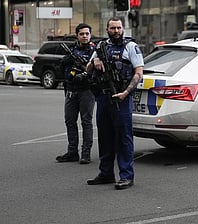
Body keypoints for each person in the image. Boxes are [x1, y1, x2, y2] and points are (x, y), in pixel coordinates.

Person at [86, 17, 144, 190]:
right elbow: (87, 70)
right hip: (103, 98)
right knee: (104, 137)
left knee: (124, 138)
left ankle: (126, 176)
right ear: (107, 29)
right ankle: (106, 174)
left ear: (122, 29)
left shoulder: (131, 47)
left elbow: (139, 73)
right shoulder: (100, 47)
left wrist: (126, 92)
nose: (116, 31)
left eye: (119, 28)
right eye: (113, 28)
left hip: (122, 97)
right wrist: (93, 61)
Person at [56, 23, 96, 164]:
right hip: (71, 90)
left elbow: (98, 71)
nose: (84, 36)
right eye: (82, 34)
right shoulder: (71, 51)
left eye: (87, 34)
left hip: (86, 90)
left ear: (90, 35)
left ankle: (86, 153)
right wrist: (65, 62)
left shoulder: (94, 51)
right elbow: (62, 70)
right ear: (77, 35)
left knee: (86, 122)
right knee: (70, 121)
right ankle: (72, 152)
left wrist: (86, 74)